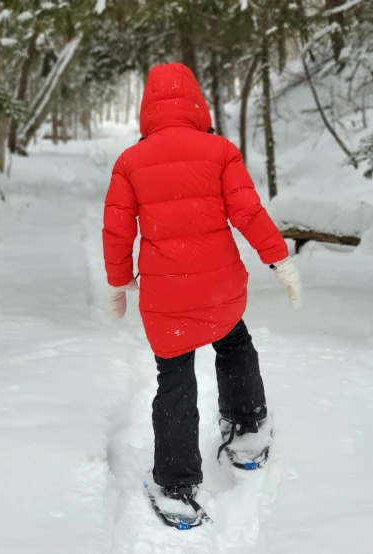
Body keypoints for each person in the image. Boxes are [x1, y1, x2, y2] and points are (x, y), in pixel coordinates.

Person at [102, 63, 302, 505]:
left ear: (147, 112)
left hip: (165, 297)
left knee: (175, 378)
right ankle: (247, 427)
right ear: (197, 105)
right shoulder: (220, 151)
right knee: (234, 343)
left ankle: (176, 487)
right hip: (220, 289)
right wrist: (279, 261)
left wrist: (118, 283)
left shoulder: (130, 162)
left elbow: (118, 231)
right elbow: (248, 213)